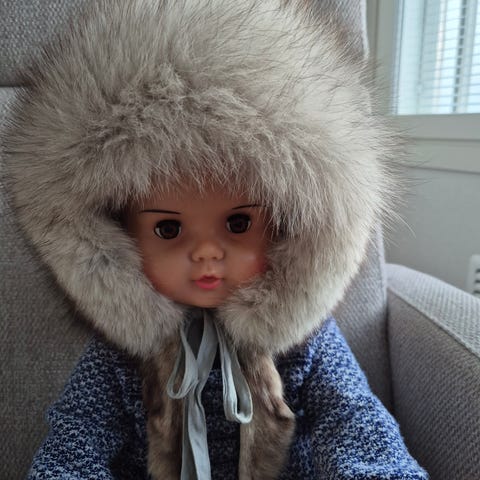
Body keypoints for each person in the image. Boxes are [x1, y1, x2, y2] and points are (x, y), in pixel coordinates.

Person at [4, 0, 428, 479]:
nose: (207, 252)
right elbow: (76, 436)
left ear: (285, 229)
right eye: (168, 229)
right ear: (116, 239)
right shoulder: (120, 355)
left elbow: (354, 421)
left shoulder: (305, 342)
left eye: (239, 224)